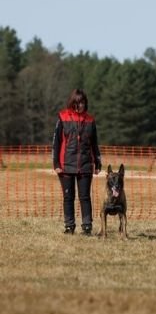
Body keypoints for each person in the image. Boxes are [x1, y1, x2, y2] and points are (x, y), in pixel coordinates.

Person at [52, 88, 102, 235]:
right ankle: (69, 226)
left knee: (85, 197)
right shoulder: (62, 117)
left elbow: (95, 144)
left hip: (85, 165)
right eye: (77, 102)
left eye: (82, 103)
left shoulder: (90, 120)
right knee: (68, 197)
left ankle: (87, 226)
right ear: (72, 102)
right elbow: (56, 143)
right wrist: (56, 164)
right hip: (66, 165)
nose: (80, 105)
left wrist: (98, 163)